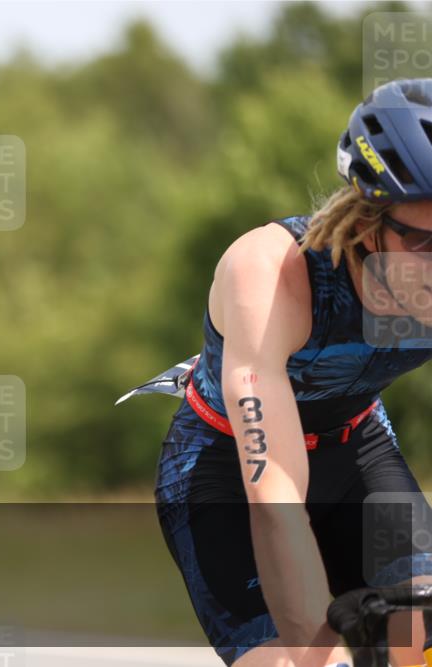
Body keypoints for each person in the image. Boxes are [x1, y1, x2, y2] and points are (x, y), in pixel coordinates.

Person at [134, 78, 432, 666]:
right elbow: (275, 492)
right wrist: (314, 643)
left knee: (420, 643)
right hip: (225, 469)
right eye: (425, 241)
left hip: (357, 452)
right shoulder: (273, 276)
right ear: (369, 219)